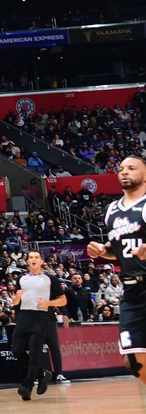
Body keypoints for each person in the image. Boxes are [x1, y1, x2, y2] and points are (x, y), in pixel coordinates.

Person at [87, 155, 146, 388]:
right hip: (131, 291)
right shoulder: (112, 210)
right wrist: (103, 250)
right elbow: (117, 248)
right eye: (121, 169)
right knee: (133, 360)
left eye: (132, 168)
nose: (124, 172)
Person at [9, 250, 64, 400]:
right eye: (30, 257)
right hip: (23, 316)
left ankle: (27, 385)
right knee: (16, 350)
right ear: (27, 261)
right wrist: (16, 297)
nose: (33, 260)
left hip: (41, 316)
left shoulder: (50, 279)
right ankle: (42, 374)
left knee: (34, 352)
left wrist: (49, 303)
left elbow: (63, 300)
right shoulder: (21, 278)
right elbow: (15, 302)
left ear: (41, 262)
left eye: (36, 257)